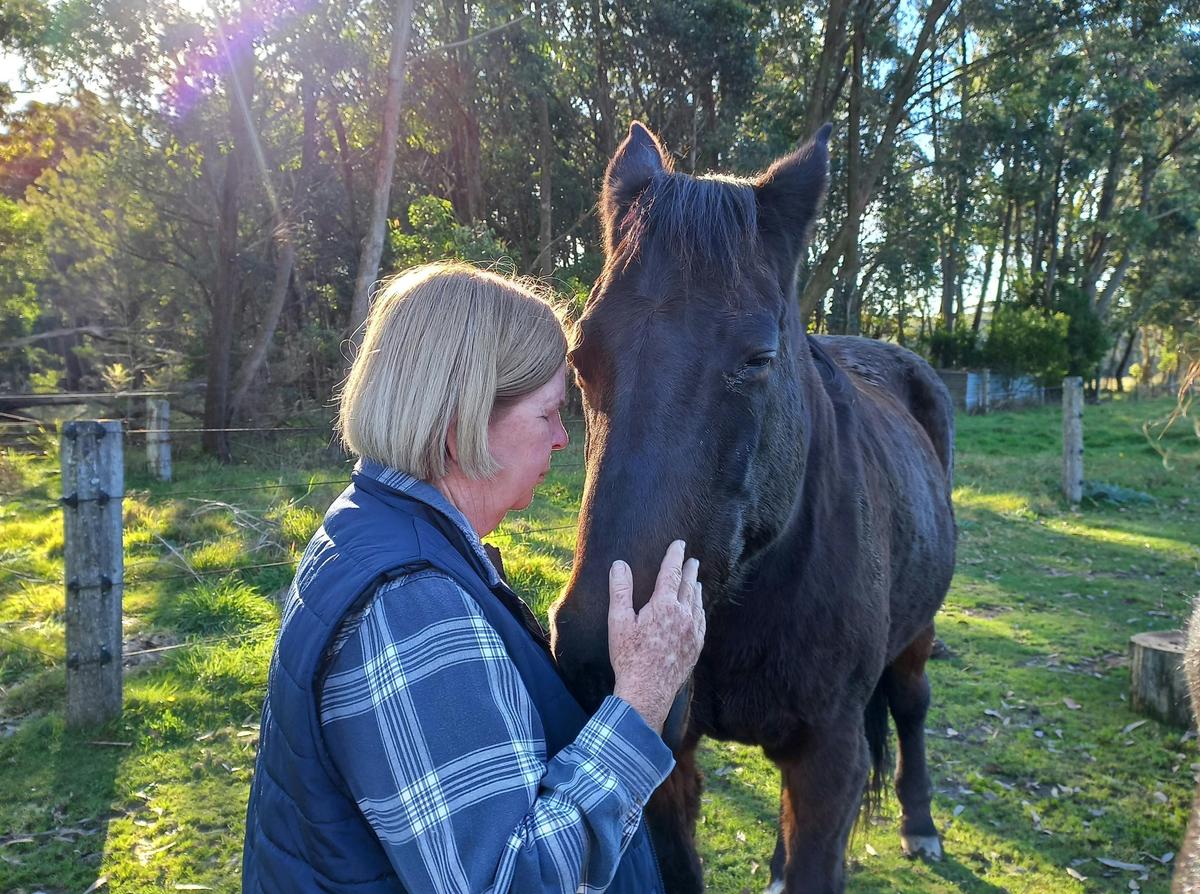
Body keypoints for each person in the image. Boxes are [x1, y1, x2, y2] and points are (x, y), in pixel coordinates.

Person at [242, 262, 706, 894]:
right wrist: (643, 697)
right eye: (548, 414)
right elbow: (511, 883)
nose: (564, 440)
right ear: (462, 430)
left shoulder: (371, 526)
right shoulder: (410, 607)